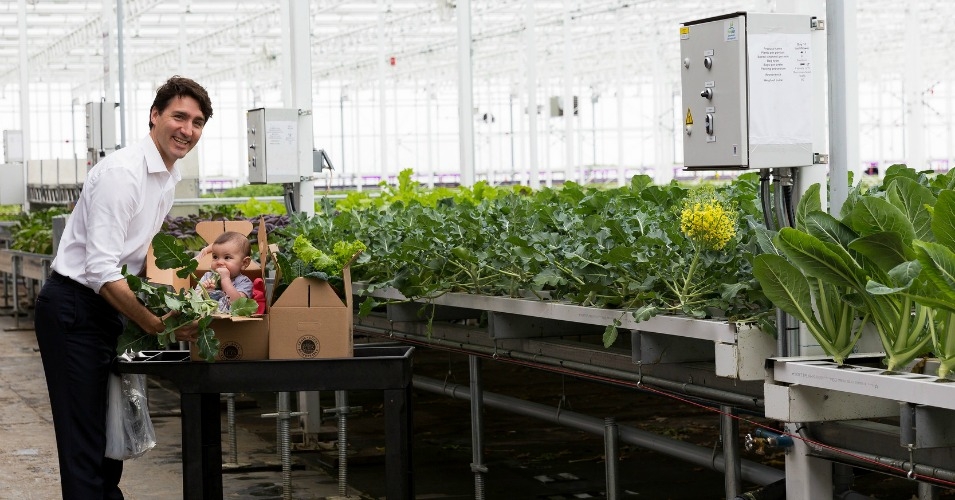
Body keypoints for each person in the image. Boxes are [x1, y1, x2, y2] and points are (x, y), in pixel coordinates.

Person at [34, 76, 212, 499]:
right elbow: (99, 270)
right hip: (74, 309)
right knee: (84, 443)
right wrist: (154, 325)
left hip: (108, 311)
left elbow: (135, 256)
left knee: (110, 441)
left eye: (198, 122)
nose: (188, 129)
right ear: (154, 116)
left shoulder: (168, 176)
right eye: (179, 116)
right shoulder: (122, 174)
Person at [196, 231, 253, 313]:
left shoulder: (244, 282)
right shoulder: (207, 276)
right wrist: (206, 292)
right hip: (207, 317)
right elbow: (195, 298)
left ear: (244, 263)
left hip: (230, 323)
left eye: (227, 257)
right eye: (215, 257)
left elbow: (237, 305)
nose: (219, 262)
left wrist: (225, 279)